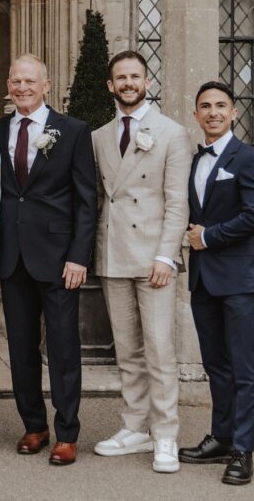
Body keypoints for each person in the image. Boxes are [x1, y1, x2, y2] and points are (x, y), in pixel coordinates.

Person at [0, 54, 97, 466]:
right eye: (16, 81)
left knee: (64, 348)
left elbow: (87, 201)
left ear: (46, 85)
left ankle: (67, 433)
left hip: (58, 258)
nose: (22, 88)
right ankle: (34, 425)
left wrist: (78, 256)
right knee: (21, 348)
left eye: (30, 81)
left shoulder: (72, 131)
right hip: (13, 258)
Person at [91, 51, 192, 473]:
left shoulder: (172, 133)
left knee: (159, 350)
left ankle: (165, 433)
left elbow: (177, 201)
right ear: (110, 86)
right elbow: (100, 198)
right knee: (128, 350)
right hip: (113, 254)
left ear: (147, 82)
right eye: (121, 78)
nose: (128, 83)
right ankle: (134, 426)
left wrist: (167, 255)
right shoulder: (99, 136)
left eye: (135, 76)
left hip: (154, 258)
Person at [179, 81, 254, 486]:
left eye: (221, 105)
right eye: (205, 106)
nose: (213, 112)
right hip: (204, 280)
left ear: (234, 113)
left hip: (239, 280)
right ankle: (221, 436)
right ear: (196, 114)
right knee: (215, 364)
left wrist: (208, 237)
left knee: (242, 367)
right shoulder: (195, 161)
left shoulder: (249, 159)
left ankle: (243, 450)